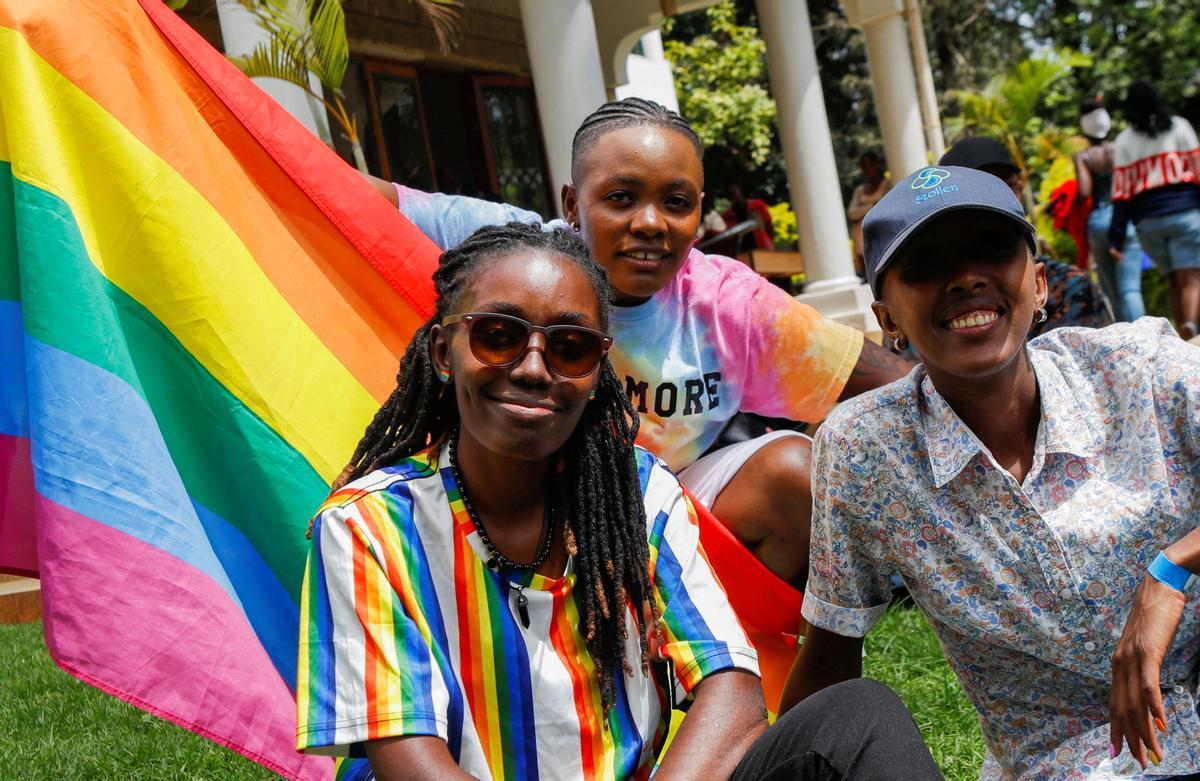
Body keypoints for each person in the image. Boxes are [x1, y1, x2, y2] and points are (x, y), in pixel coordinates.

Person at [295, 222, 942, 781]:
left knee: (859, 719)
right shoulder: (367, 525)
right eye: (498, 334)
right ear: (444, 351)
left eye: (570, 347)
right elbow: (410, 765)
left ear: (597, 370)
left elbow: (733, 693)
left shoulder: (640, 493)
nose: (532, 365)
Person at [361, 97, 912, 589]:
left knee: (795, 472)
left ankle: (739, 659)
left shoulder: (731, 305)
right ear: (573, 205)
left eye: (676, 203)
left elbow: (896, 386)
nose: (651, 223)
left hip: (663, 514)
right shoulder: (511, 252)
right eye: (621, 198)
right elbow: (338, 192)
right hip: (520, 500)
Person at [782, 165, 1200, 779]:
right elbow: (831, 663)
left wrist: (1175, 564)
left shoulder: (1140, 369)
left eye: (991, 250)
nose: (965, 278)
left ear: (1037, 283)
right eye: (924, 265)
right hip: (1064, 765)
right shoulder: (868, 450)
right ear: (887, 319)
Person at [941, 135, 1113, 336]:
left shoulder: (1070, 286)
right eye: (978, 191)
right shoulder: (930, 298)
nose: (997, 199)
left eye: (1006, 185)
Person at [1111, 80, 1200, 339]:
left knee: (1173, 281)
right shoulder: (1180, 127)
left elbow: (1121, 193)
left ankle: (1182, 338)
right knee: (1191, 279)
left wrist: (1116, 237)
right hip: (1185, 213)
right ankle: (1192, 327)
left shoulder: (1124, 141)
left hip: (1147, 221)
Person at [1074, 97, 1147, 322]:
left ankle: (1124, 343)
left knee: (1111, 289)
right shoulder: (1120, 148)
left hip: (1098, 219)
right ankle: (1144, 337)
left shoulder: (1084, 156)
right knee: (1130, 288)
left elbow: (1085, 191)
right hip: (1123, 217)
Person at [847, 152, 892, 277]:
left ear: (877, 165)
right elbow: (852, 213)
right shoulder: (859, 191)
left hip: (882, 234)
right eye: (865, 166)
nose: (868, 169)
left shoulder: (886, 185)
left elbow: (886, 206)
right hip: (862, 240)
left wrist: (862, 210)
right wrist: (872, 205)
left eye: (871, 165)